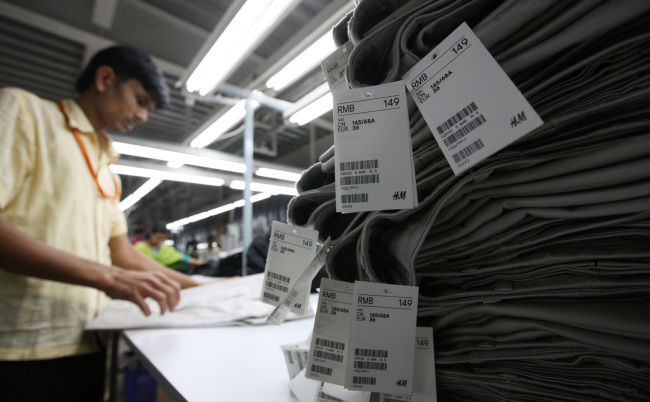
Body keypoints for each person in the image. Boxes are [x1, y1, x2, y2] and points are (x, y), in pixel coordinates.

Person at [0, 45, 201, 401]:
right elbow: (115, 269)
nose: (142, 116)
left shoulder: (107, 168)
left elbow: (121, 253)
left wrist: (199, 287)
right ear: (106, 78)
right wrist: (106, 277)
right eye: (140, 100)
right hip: (21, 344)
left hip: (89, 340)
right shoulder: (25, 113)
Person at [134, 223, 206, 272]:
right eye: (157, 237)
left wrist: (201, 263)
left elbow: (181, 258)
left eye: (162, 238)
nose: (159, 241)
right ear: (150, 233)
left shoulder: (165, 248)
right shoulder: (139, 247)